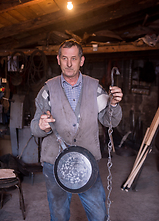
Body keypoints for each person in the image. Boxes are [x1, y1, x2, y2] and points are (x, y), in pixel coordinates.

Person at [30, 39, 123, 221]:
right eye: (65, 58)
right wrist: (41, 126)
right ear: (58, 60)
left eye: (74, 58)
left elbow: (109, 121)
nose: (69, 63)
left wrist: (113, 104)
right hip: (54, 162)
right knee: (59, 215)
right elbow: (34, 127)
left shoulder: (95, 88)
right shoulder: (47, 90)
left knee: (98, 214)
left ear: (82, 60)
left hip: (86, 161)